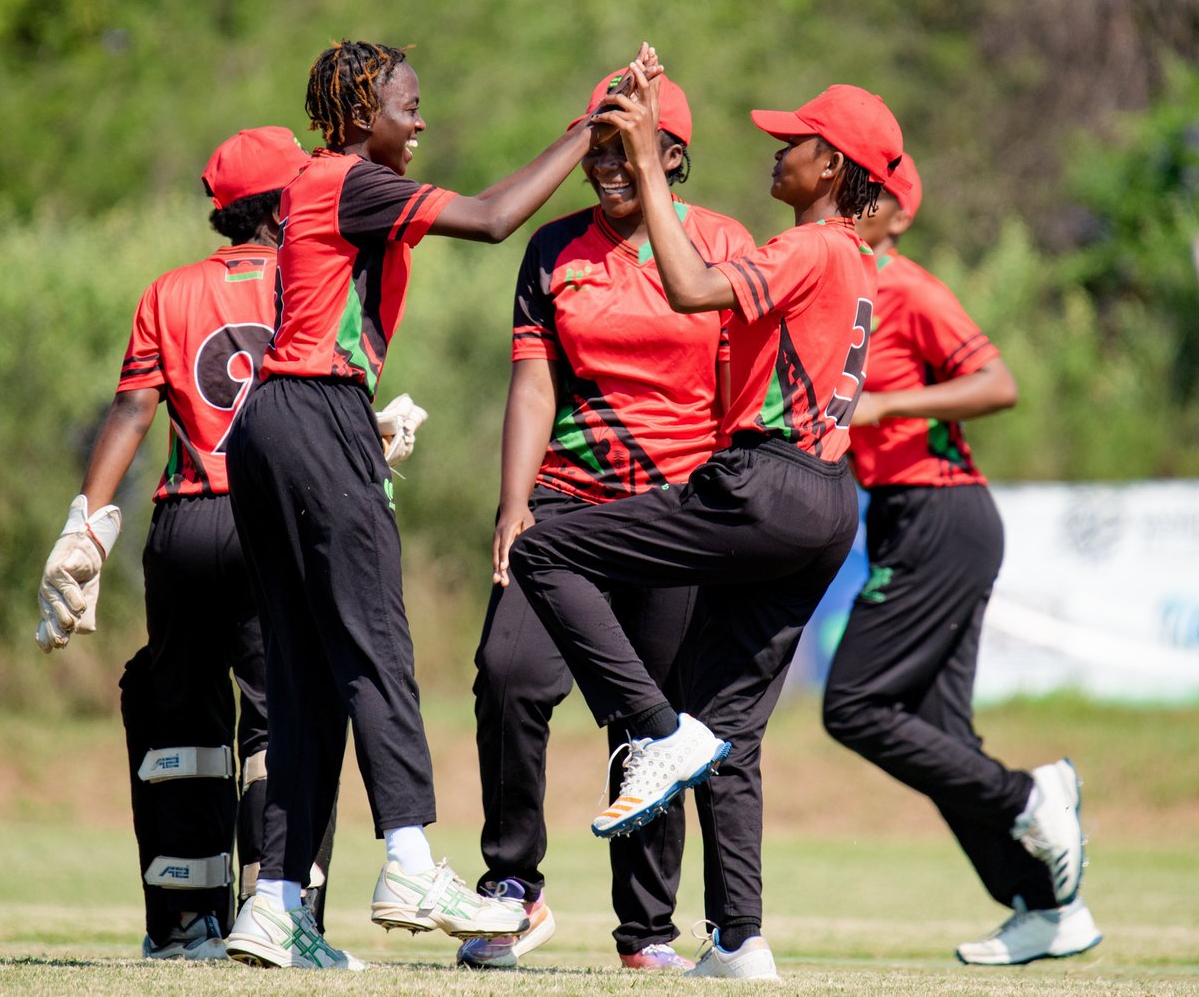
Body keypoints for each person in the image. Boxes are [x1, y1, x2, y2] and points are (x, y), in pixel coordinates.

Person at [222, 39, 662, 970]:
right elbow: (497, 217)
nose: (420, 121)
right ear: (356, 114)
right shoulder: (352, 179)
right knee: (379, 647)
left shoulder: (317, 180)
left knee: (305, 674)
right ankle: (412, 861)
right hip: (316, 410)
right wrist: (590, 131)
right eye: (407, 105)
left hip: (268, 423)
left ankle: (271, 901)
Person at [508, 77, 909, 980]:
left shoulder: (811, 244)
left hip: (764, 484)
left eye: (793, 141)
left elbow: (687, 285)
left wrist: (647, 159)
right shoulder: (853, 260)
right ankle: (737, 938)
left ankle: (651, 728)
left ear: (829, 166)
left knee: (542, 544)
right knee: (730, 725)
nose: (778, 151)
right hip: (830, 503)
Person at [459, 72, 755, 972]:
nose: (606, 166)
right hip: (565, 508)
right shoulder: (552, 249)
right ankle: (514, 886)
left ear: (672, 154)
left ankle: (646, 934)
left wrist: (736, 504)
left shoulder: (721, 243)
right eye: (594, 147)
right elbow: (534, 382)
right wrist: (513, 503)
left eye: (626, 147)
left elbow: (746, 383)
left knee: (653, 722)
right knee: (507, 674)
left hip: (678, 515)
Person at [33, 127, 341, 960]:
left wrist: (86, 525)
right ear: (287, 204)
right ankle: (279, 918)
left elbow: (133, 412)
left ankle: (182, 925)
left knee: (183, 722)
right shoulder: (313, 282)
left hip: (183, 526)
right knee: (287, 720)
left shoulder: (166, 292)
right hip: (274, 520)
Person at [821, 154, 1101, 965]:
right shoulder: (846, 287)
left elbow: (997, 381)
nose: (854, 205)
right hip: (911, 515)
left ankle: (1030, 794)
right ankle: (1049, 907)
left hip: (941, 511)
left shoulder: (907, 287)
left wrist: (888, 404)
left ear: (896, 213)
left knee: (855, 707)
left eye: (867, 194)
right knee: (939, 729)